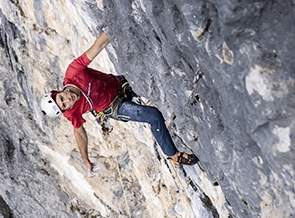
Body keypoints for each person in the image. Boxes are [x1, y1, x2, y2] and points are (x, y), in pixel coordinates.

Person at [41, 31, 198, 175]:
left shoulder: (74, 72)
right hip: (114, 107)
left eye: (62, 98)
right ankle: (174, 155)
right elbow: (79, 132)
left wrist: (111, 28)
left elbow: (99, 45)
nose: (67, 100)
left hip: (120, 83)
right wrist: (85, 159)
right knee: (153, 115)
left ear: (58, 91)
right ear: (65, 110)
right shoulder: (71, 112)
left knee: (156, 76)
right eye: (64, 105)